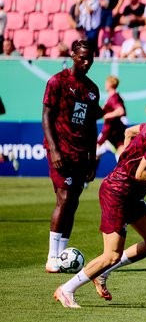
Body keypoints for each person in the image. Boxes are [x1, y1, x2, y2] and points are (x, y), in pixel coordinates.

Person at [53, 92, 146, 308]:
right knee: (111, 255)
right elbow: (142, 174)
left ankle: (102, 274)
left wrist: (125, 155)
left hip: (131, 193)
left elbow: (129, 131)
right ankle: (66, 289)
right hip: (117, 192)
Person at [42, 39, 103, 273]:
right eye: (82, 57)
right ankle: (52, 258)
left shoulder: (92, 90)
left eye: (91, 58)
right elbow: (46, 116)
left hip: (80, 153)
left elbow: (90, 127)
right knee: (65, 198)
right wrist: (54, 150)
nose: (87, 62)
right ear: (73, 55)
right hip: (60, 151)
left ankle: (61, 256)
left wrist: (92, 157)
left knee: (72, 203)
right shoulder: (57, 81)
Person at [96, 76, 127, 167]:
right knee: (94, 155)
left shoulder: (114, 98)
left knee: (121, 158)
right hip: (110, 135)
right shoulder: (111, 98)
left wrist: (107, 115)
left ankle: (85, 179)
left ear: (110, 84)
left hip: (113, 134)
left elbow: (121, 111)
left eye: (106, 83)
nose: (105, 85)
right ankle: (86, 179)